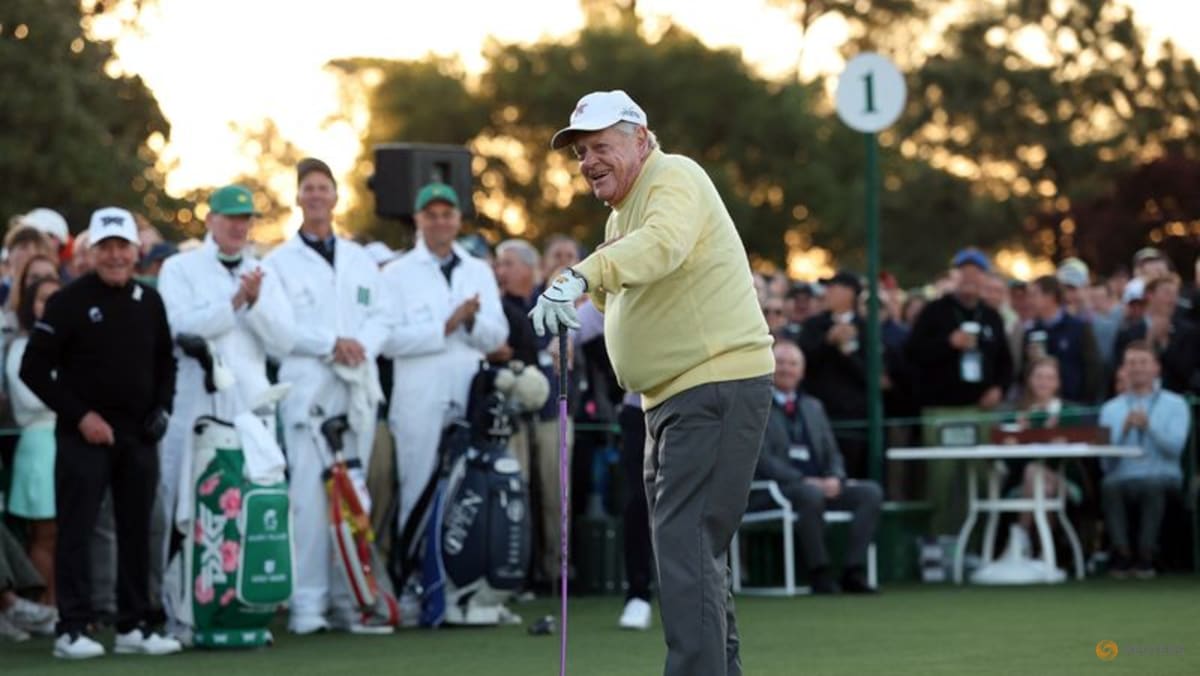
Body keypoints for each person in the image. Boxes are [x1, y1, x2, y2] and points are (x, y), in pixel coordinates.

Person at [532, 90, 774, 676]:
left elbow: (661, 247)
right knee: (692, 555)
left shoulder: (674, 179)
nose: (589, 161)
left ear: (641, 139)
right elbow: (617, 298)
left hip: (712, 387)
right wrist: (572, 303)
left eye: (601, 146)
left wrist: (578, 273)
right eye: (582, 151)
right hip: (666, 400)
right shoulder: (622, 214)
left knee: (686, 547)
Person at [20, 207, 180, 659]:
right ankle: (72, 628)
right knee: (77, 530)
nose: (114, 256)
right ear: (90, 252)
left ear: (135, 252)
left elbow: (165, 362)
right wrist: (80, 415)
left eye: (122, 248)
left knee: (137, 530)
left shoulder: (149, 301)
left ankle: (134, 624)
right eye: (105, 248)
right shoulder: (68, 300)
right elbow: (34, 368)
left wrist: (162, 409)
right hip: (82, 435)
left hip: (138, 436)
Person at [262, 158, 393, 635]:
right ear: (298, 198)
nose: (317, 196)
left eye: (324, 188)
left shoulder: (360, 259)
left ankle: (352, 601)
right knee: (310, 502)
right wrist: (329, 344)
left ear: (336, 197)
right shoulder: (276, 263)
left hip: (356, 392)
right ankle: (308, 605)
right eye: (308, 189)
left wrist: (363, 346)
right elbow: (277, 330)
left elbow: (382, 316)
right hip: (309, 394)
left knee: (353, 501)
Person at [155, 184, 294, 626]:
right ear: (211, 220)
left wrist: (253, 305)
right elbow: (176, 326)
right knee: (184, 504)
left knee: (249, 505)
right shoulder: (179, 268)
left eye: (245, 219)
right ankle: (179, 611)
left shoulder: (265, 274)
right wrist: (233, 302)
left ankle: (242, 608)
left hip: (250, 409)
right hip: (194, 404)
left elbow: (284, 341)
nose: (238, 226)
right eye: (230, 217)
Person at [380, 182, 507, 538]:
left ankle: (455, 586)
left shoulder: (478, 270)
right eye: (431, 215)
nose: (439, 222)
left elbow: (497, 336)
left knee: (465, 491)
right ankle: (412, 584)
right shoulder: (396, 273)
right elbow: (387, 340)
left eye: (447, 215)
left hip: (467, 392)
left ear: (457, 220)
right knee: (417, 486)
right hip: (418, 399)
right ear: (419, 220)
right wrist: (444, 326)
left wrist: (470, 322)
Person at [753, 341, 881, 594]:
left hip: (820, 487)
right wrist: (803, 480)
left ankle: (852, 571)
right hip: (775, 490)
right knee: (809, 494)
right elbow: (761, 459)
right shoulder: (756, 405)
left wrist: (835, 477)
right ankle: (819, 572)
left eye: (793, 364)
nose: (786, 369)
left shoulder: (813, 407)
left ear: (802, 371)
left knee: (870, 493)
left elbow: (832, 452)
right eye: (780, 363)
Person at [1098, 341, 1191, 578]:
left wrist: (1150, 427)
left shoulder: (1176, 404)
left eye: (1143, 362)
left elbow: (1175, 448)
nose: (1137, 368)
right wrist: (1124, 431)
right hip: (1124, 476)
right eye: (1131, 363)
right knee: (1109, 485)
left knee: (1152, 485)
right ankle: (1121, 553)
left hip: (1163, 476)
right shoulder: (1111, 409)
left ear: (1156, 368)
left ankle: (1147, 554)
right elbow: (1105, 462)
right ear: (1124, 369)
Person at [5, 276, 63, 611]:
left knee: (66, 532)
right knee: (45, 532)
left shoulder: (69, 344)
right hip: (39, 442)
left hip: (64, 439)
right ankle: (44, 604)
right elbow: (32, 397)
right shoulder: (21, 347)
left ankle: (61, 603)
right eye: (43, 299)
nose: (49, 305)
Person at [906, 248, 1013, 409]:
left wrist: (999, 389)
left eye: (975, 273)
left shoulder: (991, 316)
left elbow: (1005, 362)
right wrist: (948, 343)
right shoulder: (934, 311)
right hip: (941, 406)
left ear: (984, 278)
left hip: (981, 407)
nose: (969, 278)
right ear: (954, 276)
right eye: (964, 272)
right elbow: (913, 352)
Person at [798, 270, 870, 478]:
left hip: (854, 418)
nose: (826, 293)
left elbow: (871, 373)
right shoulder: (814, 325)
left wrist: (847, 350)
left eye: (832, 287)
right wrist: (828, 341)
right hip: (819, 414)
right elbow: (803, 359)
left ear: (849, 293)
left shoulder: (866, 328)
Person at [1020, 275, 1102, 403]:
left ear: (1050, 297)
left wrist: (1084, 403)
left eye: (1034, 295)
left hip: (1074, 407)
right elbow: (1024, 372)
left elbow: (1093, 368)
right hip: (1041, 409)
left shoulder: (1078, 328)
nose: (1029, 300)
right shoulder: (1031, 332)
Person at [1113, 275, 1199, 395]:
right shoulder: (1128, 332)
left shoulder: (1188, 332)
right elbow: (1121, 370)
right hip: (1138, 400)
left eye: (1175, 294)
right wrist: (1149, 340)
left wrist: (1165, 343)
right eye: (1167, 293)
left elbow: (1187, 372)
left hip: (1177, 399)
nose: (1173, 299)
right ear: (1150, 295)